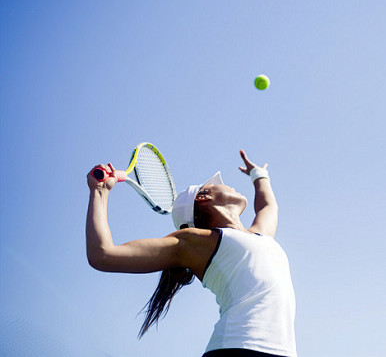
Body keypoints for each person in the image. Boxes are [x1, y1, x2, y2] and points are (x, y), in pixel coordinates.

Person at [86, 150, 297, 357]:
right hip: (238, 348)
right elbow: (102, 254)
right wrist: (99, 191)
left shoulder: (259, 236)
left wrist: (259, 174)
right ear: (204, 197)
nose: (227, 183)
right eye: (215, 184)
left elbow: (268, 207)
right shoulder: (196, 242)